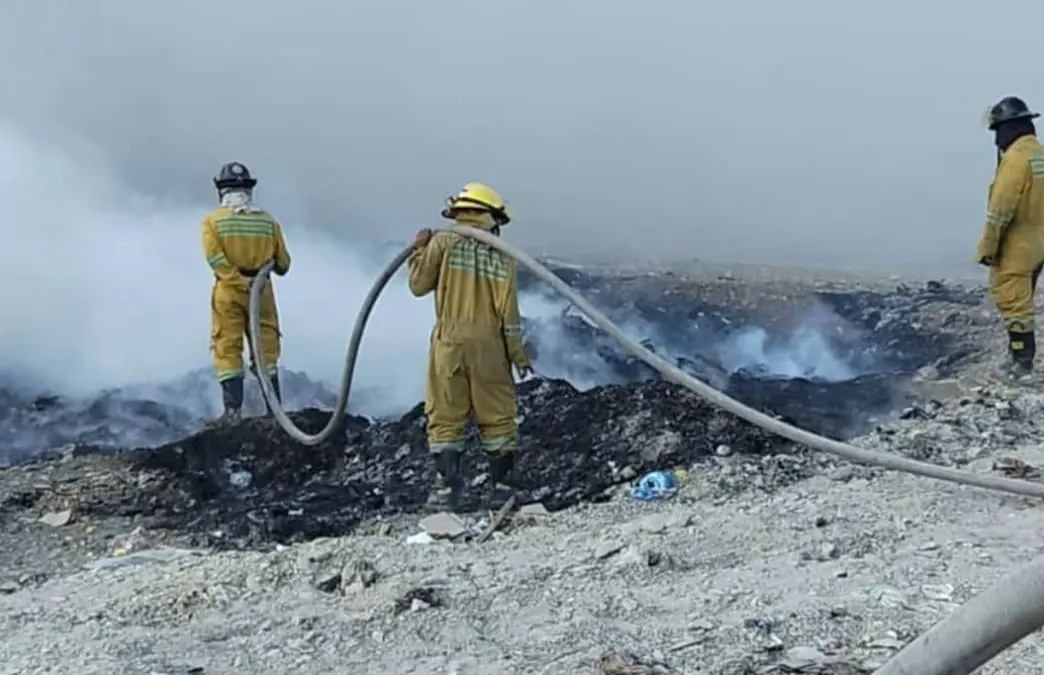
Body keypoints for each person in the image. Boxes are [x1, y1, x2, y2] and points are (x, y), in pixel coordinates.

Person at [408, 182, 534, 508]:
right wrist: (518, 356)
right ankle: (502, 489)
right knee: (498, 416)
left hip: (449, 341)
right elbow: (509, 314)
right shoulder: (503, 256)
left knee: (446, 414)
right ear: (490, 216)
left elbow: (418, 286)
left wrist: (418, 250)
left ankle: (446, 492)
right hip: (490, 345)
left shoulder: (442, 243)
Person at [201, 161, 292, 424]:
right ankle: (274, 411)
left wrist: (237, 281)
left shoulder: (212, 222)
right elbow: (284, 264)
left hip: (228, 293)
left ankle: (232, 412)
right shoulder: (268, 222)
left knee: (227, 346)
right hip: (261, 291)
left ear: (222, 190)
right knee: (267, 348)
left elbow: (215, 258)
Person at [977, 96, 1044, 381]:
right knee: (1024, 295)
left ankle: (1021, 364)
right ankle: (1020, 358)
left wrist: (988, 247)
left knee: (1012, 298)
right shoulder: (1039, 153)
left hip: (1020, 239)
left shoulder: (1016, 159)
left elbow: (1001, 209)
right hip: (1039, 238)